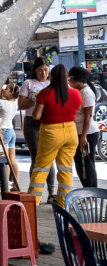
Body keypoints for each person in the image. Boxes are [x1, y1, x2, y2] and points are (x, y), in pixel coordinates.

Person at [30, 64, 82, 209]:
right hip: (71, 131)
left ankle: (32, 203)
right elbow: (75, 110)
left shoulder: (44, 93)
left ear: (51, 76)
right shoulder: (76, 93)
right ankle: (64, 204)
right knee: (66, 169)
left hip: (51, 132)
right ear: (67, 77)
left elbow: (36, 115)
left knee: (41, 167)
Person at [18, 57, 54, 200]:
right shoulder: (29, 83)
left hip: (49, 122)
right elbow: (20, 105)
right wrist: (35, 98)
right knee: (36, 157)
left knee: (49, 158)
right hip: (32, 123)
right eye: (40, 70)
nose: (43, 73)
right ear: (35, 71)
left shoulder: (52, 83)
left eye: (45, 70)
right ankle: (34, 191)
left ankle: (52, 192)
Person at [71, 67, 101, 188]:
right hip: (80, 132)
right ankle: (87, 192)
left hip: (88, 134)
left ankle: (92, 192)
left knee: (87, 164)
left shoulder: (86, 93)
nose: (69, 83)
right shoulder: (79, 91)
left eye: (70, 80)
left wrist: (83, 136)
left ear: (77, 80)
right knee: (80, 164)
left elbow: (88, 116)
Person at [0, 81, 20, 191]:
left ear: (11, 93)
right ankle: (16, 184)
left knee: (4, 160)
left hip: (3, 132)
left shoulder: (1, 103)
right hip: (11, 131)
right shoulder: (15, 103)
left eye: (7, 89)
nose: (4, 89)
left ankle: (4, 187)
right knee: (12, 159)